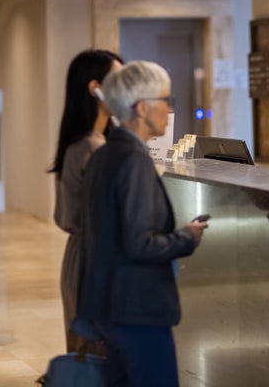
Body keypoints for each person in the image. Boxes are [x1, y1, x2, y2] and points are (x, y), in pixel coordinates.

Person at [76, 60, 209, 386]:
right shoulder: (134, 162)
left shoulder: (103, 155)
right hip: (137, 310)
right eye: (165, 100)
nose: (169, 108)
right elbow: (139, 243)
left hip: (109, 307)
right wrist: (187, 237)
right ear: (142, 107)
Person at [49, 49, 123, 353]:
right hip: (95, 263)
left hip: (81, 260)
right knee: (96, 359)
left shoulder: (82, 144)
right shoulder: (93, 148)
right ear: (96, 88)